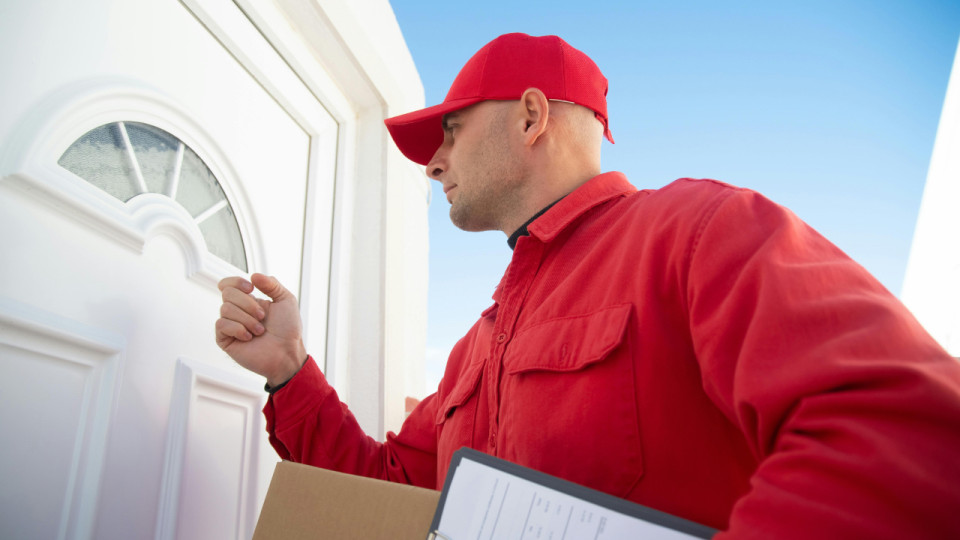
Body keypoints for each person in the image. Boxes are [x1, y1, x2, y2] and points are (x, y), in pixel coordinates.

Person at [216, 33, 960, 538]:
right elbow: (385, 490)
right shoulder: (474, 349)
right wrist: (289, 372)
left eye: (451, 131)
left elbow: (906, 434)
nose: (433, 163)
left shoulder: (697, 233)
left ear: (530, 116)